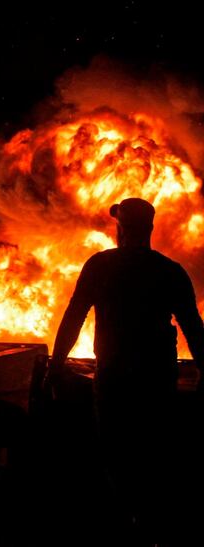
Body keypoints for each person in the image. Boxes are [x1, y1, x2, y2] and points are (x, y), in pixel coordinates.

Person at [47, 197, 204, 541]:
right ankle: (151, 525)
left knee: (116, 450)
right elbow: (193, 328)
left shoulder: (101, 266)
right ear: (150, 228)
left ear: (120, 228)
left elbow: (75, 316)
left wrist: (55, 365)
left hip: (114, 375)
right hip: (155, 377)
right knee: (154, 450)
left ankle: (129, 522)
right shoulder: (169, 271)